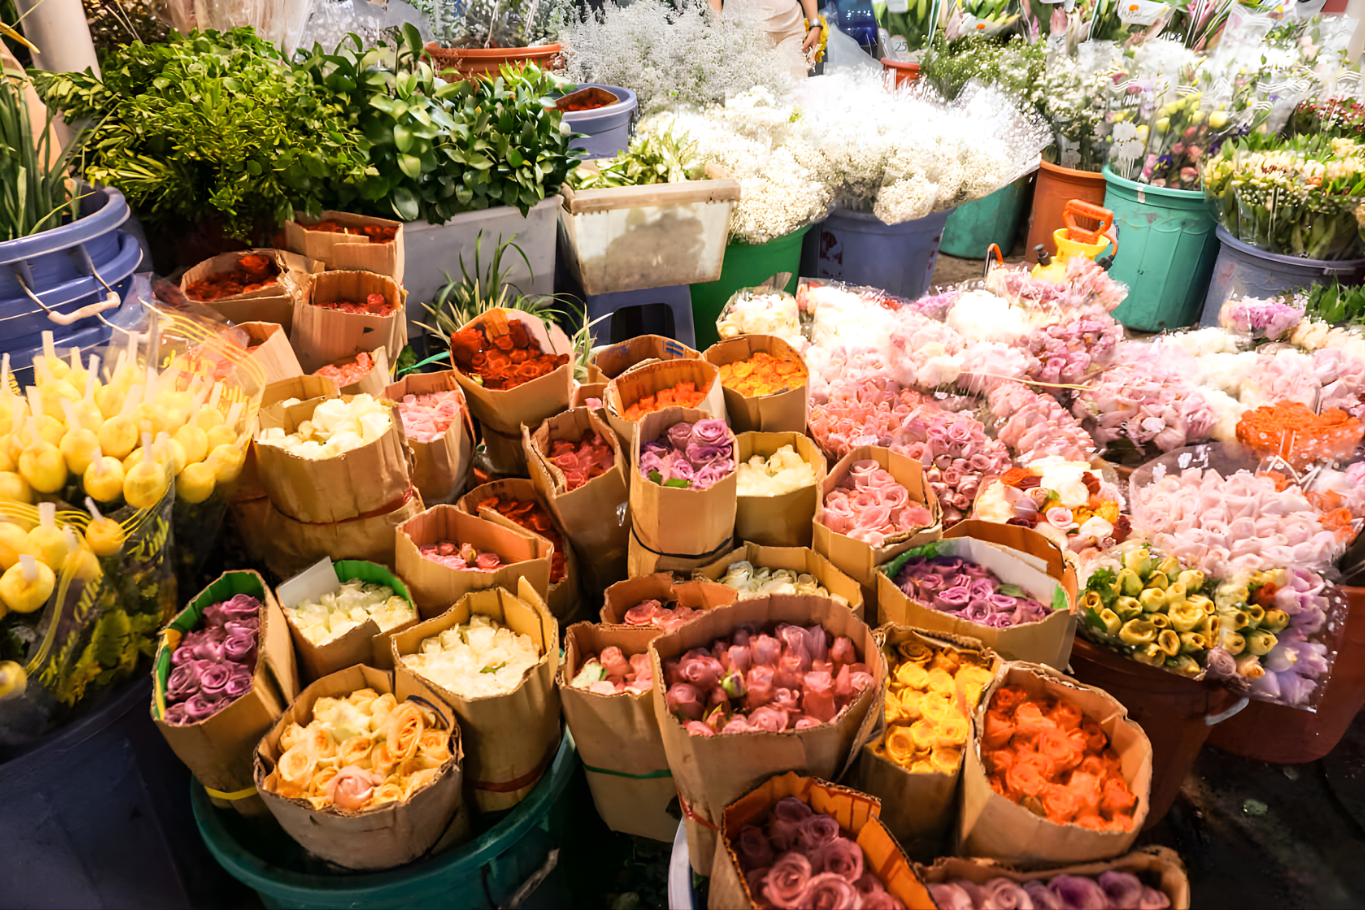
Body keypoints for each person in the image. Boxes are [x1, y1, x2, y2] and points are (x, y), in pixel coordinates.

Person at [707, 0, 823, 79]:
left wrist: (815, 23)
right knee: (755, 97)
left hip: (791, 27)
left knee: (796, 91)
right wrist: (716, 30)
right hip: (747, 30)